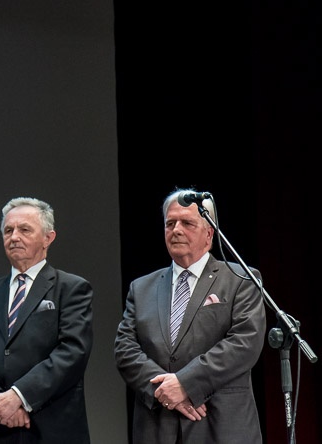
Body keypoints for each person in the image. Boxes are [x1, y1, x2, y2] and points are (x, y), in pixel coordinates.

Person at [114, 188, 266, 443]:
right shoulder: (141, 288)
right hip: (157, 427)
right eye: (170, 223)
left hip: (220, 426)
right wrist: (165, 391)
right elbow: (125, 349)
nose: (176, 230)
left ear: (209, 233)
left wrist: (185, 383)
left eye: (187, 223)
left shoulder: (241, 279)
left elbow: (245, 343)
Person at [0, 196, 93, 443]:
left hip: (51, 429)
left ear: (48, 238)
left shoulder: (72, 288)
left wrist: (19, 396)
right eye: (8, 230)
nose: (14, 237)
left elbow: (72, 351)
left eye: (25, 230)